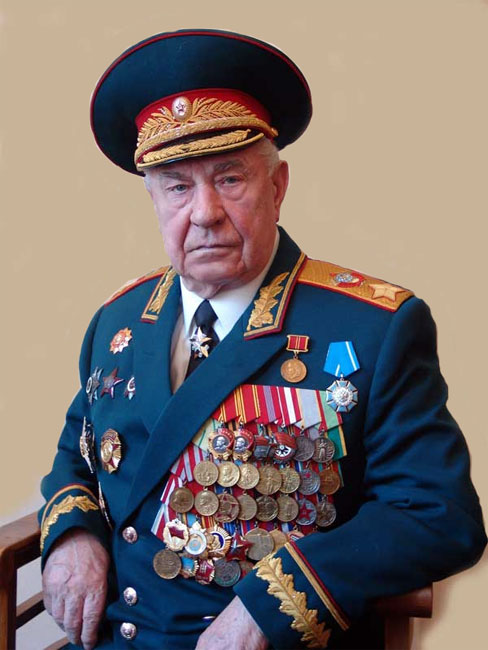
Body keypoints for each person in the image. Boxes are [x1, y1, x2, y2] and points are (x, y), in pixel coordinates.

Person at [39, 29, 486, 650]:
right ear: (153, 199)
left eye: (229, 179)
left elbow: (439, 514)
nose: (203, 212)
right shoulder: (116, 320)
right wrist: (72, 534)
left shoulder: (375, 328)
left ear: (277, 187)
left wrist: (274, 605)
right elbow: (79, 453)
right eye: (177, 186)